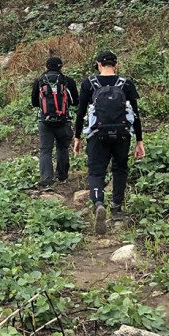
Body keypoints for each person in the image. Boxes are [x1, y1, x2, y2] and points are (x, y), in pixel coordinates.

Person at [73, 50, 145, 234]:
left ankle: (98, 203)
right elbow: (135, 114)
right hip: (122, 134)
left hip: (97, 134)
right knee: (120, 168)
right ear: (116, 64)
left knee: (96, 170)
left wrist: (77, 137)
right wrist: (139, 140)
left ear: (98, 64)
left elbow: (81, 113)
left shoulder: (89, 84)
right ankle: (117, 208)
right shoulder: (126, 84)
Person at [31, 56, 79, 189]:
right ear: (61, 67)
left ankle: (46, 179)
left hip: (44, 121)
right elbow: (75, 101)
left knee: (45, 149)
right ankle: (62, 175)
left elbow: (35, 102)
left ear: (46, 67)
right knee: (62, 147)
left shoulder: (40, 80)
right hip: (63, 120)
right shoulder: (67, 81)